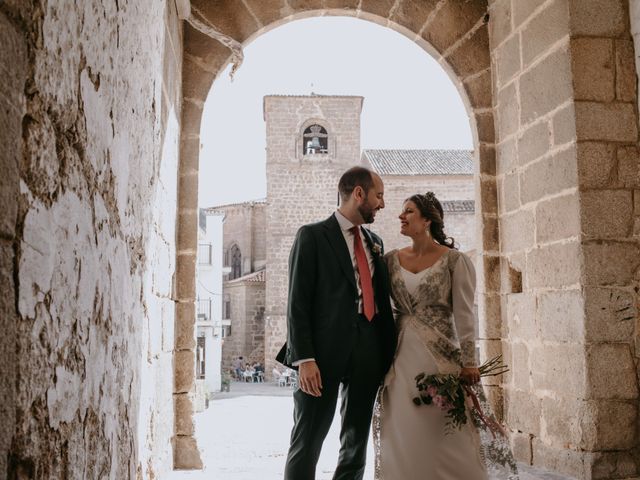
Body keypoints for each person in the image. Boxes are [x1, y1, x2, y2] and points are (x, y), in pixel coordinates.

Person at [374, 192, 518, 480]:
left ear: (427, 220)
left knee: (449, 433)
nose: (401, 216)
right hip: (400, 361)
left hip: (441, 360)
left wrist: (470, 363)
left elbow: (465, 315)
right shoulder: (389, 261)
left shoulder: (455, 261)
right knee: (404, 430)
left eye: (409, 211)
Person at [276, 166, 397, 480]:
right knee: (308, 439)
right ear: (359, 194)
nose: (382, 204)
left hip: (368, 352)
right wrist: (304, 359)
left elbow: (381, 301)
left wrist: (386, 353)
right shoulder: (313, 236)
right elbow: (297, 302)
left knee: (355, 442)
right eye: (379, 195)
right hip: (321, 355)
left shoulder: (376, 242)